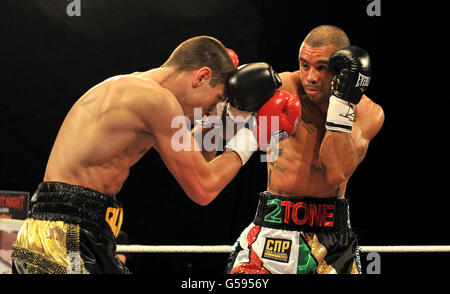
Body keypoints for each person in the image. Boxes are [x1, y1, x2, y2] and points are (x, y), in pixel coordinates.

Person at [11, 36, 300, 274]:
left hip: (79, 231)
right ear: (201, 76)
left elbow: (200, 158)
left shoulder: (137, 91)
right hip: (62, 236)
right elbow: (203, 188)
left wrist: (225, 117)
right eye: (216, 99)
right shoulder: (156, 101)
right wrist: (254, 135)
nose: (212, 109)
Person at [225, 25, 385, 274]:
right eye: (304, 65)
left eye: (321, 68)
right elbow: (221, 106)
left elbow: (334, 172)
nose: (310, 77)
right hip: (273, 229)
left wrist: (341, 103)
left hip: (332, 240)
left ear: (342, 71)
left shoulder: (367, 113)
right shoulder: (282, 87)